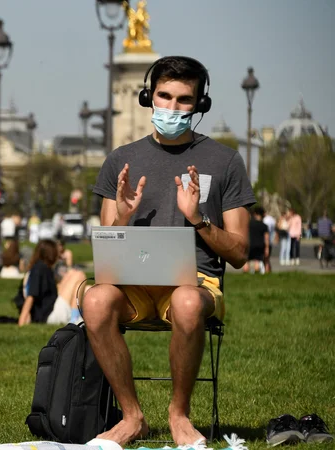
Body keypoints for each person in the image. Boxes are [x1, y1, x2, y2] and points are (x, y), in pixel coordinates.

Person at [82, 56, 254, 446]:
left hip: (195, 285)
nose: (172, 108)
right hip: (132, 287)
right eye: (164, 96)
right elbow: (106, 244)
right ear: (148, 96)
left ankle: (179, 416)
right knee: (94, 301)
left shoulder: (225, 161)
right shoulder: (120, 159)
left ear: (199, 105)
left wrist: (198, 220)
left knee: (188, 303)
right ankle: (131, 417)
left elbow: (241, 253)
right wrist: (123, 216)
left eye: (183, 100)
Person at [15, 239, 89, 327]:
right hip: (49, 315)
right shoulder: (39, 269)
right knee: (79, 275)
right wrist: (22, 320)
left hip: (52, 309)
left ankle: (77, 316)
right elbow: (31, 296)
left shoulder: (44, 268)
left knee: (85, 287)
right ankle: (74, 319)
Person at [244, 206, 269, 274]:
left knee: (246, 261)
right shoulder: (264, 225)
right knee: (257, 261)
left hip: (250, 244)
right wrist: (267, 248)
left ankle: (245, 274)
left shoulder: (249, 224)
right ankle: (256, 274)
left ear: (255, 214)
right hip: (259, 245)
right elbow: (266, 238)